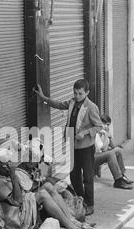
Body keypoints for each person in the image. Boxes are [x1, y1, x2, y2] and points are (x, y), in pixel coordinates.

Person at [0, 141, 94, 229]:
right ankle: (72, 228)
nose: (10, 164)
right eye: (6, 163)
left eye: (10, 161)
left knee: (48, 186)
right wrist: (13, 175)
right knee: (43, 194)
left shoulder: (7, 173)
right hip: (15, 214)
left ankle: (71, 219)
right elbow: (18, 201)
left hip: (22, 203)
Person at [34, 80, 103, 216]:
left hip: (86, 147)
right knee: (74, 175)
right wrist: (44, 99)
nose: (77, 96)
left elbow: (99, 126)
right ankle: (80, 200)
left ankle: (90, 205)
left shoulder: (91, 107)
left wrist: (85, 132)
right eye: (75, 93)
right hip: (73, 145)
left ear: (87, 93)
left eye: (80, 93)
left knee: (87, 177)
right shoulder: (72, 102)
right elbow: (59, 105)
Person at [94, 115, 134, 190]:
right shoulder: (96, 133)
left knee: (117, 151)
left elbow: (110, 146)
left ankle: (122, 176)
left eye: (108, 125)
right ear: (100, 123)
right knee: (110, 154)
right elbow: (104, 149)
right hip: (92, 158)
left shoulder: (102, 133)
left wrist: (107, 135)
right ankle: (118, 180)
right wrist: (105, 135)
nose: (106, 126)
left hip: (99, 155)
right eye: (104, 124)